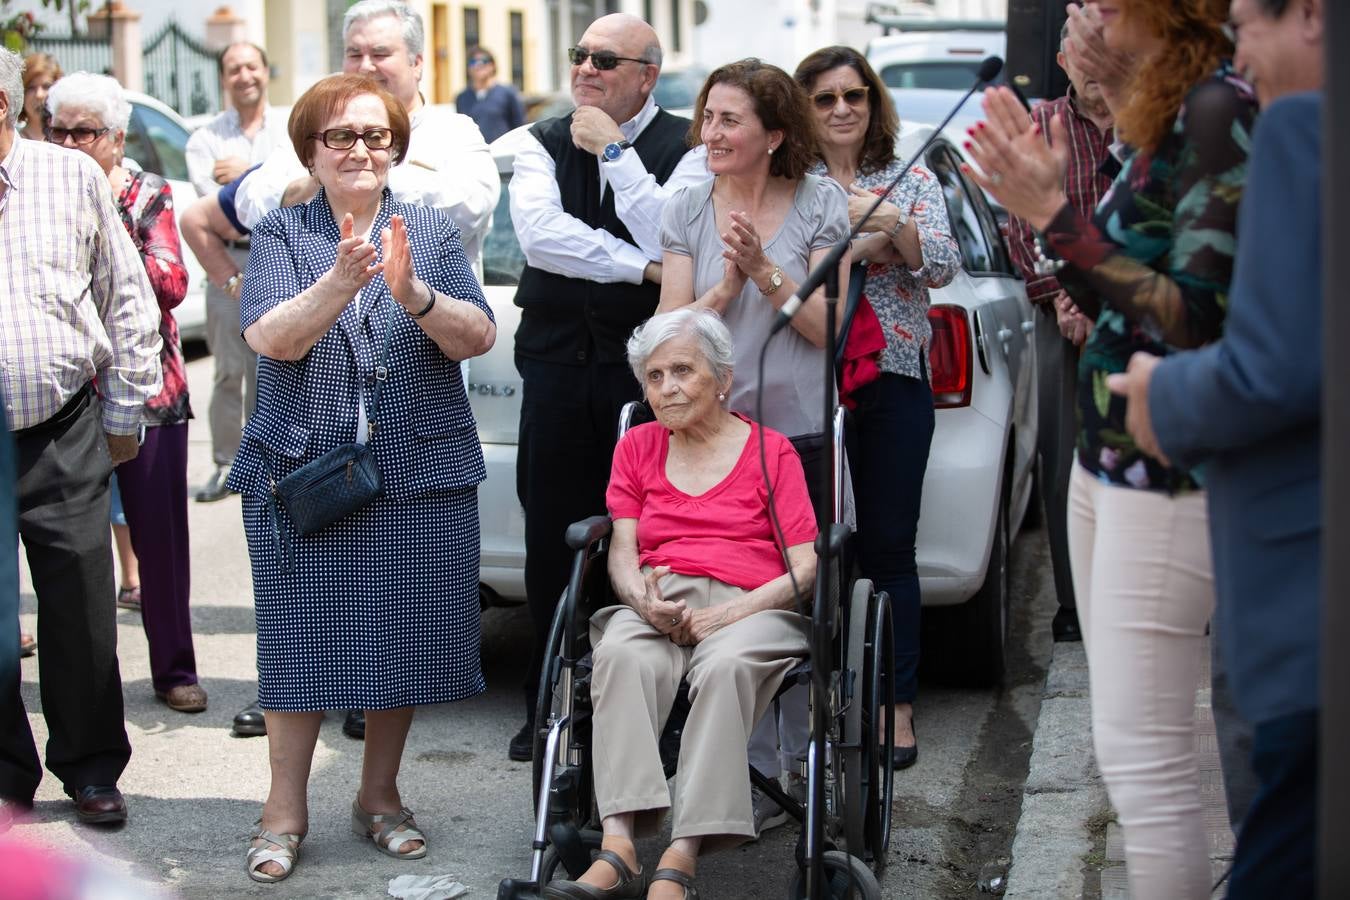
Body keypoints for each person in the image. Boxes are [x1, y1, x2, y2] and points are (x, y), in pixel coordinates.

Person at [962, 1, 1257, 895]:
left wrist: (1054, 212)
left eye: (1102, 2)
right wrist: (1047, 212)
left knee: (1148, 762)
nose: (1083, 15)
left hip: (1165, 465)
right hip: (1109, 455)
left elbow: (1192, 311)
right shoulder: (1161, 115)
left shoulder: (1215, 109)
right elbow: (1118, 282)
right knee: (1123, 744)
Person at [228, 72, 495, 883]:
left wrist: (413, 292)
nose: (359, 150)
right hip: (305, 473)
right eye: (341, 136)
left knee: (400, 638)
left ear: (397, 148)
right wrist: (341, 280)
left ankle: (379, 797)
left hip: (417, 470)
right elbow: (271, 337)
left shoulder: (432, 232)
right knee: (298, 641)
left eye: (376, 136)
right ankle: (284, 809)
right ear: (311, 147)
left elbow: (476, 335)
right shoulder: (282, 233)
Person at [1107, 0, 1324, 895]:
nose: (1246, 55)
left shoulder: (1298, 129)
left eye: (1254, 28)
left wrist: (1168, 394)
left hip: (1309, 599)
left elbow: (1276, 362)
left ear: (1307, 14)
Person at [544, 308, 815, 900]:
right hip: (660, 601)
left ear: (722, 379)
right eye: (655, 375)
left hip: (752, 607)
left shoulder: (772, 454)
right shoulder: (637, 448)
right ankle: (618, 846)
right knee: (618, 654)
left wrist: (726, 616)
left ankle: (681, 854)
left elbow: (807, 564)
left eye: (683, 371)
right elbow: (621, 548)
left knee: (725, 666)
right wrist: (640, 602)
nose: (667, 388)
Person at [507, 12, 708, 763]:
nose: (585, 70)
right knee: (550, 540)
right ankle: (549, 703)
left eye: (605, 60)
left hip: (646, 371)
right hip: (556, 364)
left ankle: (648, 709)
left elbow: (669, 232)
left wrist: (617, 154)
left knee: (648, 537)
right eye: (579, 56)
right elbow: (540, 238)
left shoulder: (688, 144)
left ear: (647, 75)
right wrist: (644, 271)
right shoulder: (538, 139)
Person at [654, 59, 848, 833]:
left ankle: (800, 765)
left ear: (774, 134)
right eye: (707, 118)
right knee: (719, 590)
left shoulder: (819, 203)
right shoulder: (686, 205)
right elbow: (668, 330)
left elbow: (828, 329)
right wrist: (724, 293)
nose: (711, 134)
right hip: (707, 439)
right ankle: (742, 771)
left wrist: (767, 273)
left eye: (729, 121)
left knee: (800, 604)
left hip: (796, 432)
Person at [0, 46, 162, 828]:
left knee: (81, 605)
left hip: (60, 427)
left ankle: (92, 767)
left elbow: (125, 296)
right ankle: (5, 774)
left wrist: (125, 412)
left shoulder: (68, 177)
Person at [794, 46, 960, 774]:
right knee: (809, 551)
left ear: (873, 102)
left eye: (854, 96)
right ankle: (808, 705)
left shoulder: (910, 177)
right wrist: (859, 245)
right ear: (801, 106)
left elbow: (943, 263)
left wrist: (888, 225)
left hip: (891, 378)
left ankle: (894, 708)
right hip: (803, 379)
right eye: (825, 97)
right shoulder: (786, 181)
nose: (840, 110)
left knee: (890, 547)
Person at [46, 71, 205, 714]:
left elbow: (169, 283)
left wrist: (109, 219)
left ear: (116, 138)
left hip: (149, 390)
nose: (70, 142)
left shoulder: (148, 193)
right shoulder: (33, 190)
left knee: (159, 541)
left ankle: (174, 670)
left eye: (85, 131)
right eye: (58, 129)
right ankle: (89, 682)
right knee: (73, 549)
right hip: (64, 394)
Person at [1004, 18, 1119, 646]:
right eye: (1083, 50)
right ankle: (1075, 601)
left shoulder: (1148, 117)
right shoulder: (1040, 121)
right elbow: (1020, 219)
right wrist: (1062, 299)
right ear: (1062, 58)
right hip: (1062, 316)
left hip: (1144, 310)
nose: (1095, 63)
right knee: (1063, 455)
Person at [232, 0, 498, 270]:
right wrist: (314, 186)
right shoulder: (320, 128)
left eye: (380, 54)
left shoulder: (454, 132)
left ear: (416, 63)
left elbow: (471, 209)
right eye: (355, 54)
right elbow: (248, 201)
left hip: (426, 307)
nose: (366, 67)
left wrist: (366, 182)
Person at [185, 41, 291, 504]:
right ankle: (227, 463)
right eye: (233, 69)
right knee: (229, 369)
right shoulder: (203, 139)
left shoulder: (291, 127)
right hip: (226, 259)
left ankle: (266, 462)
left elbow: (285, 186)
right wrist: (267, 177)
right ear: (223, 78)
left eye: (251, 66)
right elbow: (229, 210)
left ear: (266, 71)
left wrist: (248, 171)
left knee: (270, 365)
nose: (244, 75)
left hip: (282, 255)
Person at [456, 46, 524, 143]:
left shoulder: (508, 94)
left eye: (483, 61)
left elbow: (520, 128)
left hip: (503, 153)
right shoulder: (462, 98)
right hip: (474, 154)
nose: (478, 65)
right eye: (473, 62)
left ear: (492, 65)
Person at [18, 52, 59, 142]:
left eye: (46, 86)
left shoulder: (70, 141)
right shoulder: (12, 143)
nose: (38, 95)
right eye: (31, 88)